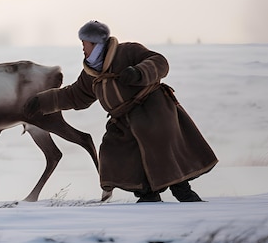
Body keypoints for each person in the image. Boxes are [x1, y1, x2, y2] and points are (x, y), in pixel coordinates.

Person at [23, 20, 218, 203]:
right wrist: (41, 101)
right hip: (123, 119)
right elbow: (75, 95)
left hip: (154, 111)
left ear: (96, 43)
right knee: (113, 151)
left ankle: (183, 190)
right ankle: (147, 194)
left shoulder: (127, 51)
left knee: (161, 149)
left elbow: (160, 62)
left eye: (85, 43)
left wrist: (139, 72)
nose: (82, 47)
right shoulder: (91, 72)